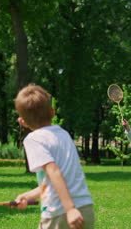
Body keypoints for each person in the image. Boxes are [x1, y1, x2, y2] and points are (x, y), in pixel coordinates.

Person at [13, 84, 94, 229]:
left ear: (23, 122)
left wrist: (69, 209)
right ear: (52, 112)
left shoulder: (33, 139)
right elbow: (57, 179)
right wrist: (29, 195)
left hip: (60, 212)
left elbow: (54, 172)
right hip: (85, 207)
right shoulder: (64, 134)